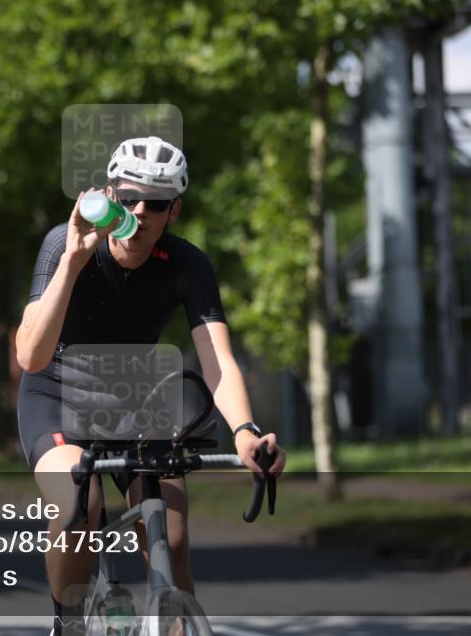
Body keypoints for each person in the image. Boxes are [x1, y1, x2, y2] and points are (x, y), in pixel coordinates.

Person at [15, 136, 287, 635]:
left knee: (173, 537)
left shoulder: (188, 265)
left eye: (155, 203)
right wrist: (74, 261)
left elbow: (218, 362)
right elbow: (29, 356)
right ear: (108, 198)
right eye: (127, 199)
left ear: (173, 211)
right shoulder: (63, 243)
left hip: (133, 399)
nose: (139, 212)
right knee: (81, 503)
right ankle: (67, 623)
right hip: (55, 394)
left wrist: (246, 431)